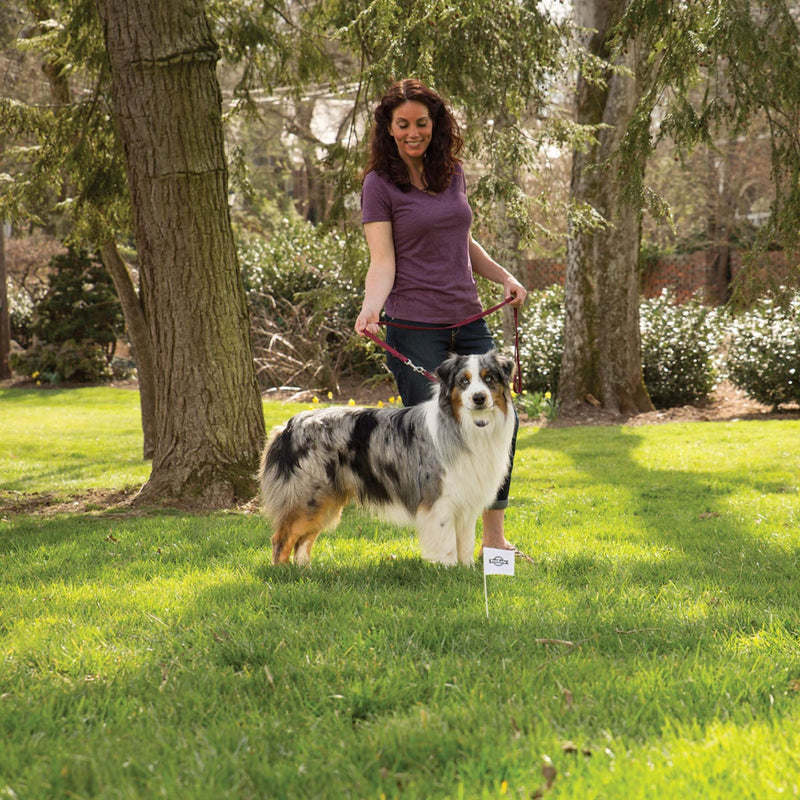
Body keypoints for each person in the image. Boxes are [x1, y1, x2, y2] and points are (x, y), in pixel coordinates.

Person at [354, 78, 527, 555]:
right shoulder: (379, 185)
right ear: (388, 130)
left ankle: (495, 544)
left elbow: (463, 242)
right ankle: (442, 549)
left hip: (469, 318)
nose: (414, 132)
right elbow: (382, 260)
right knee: (434, 440)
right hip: (414, 326)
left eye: (422, 123)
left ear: (436, 124)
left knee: (498, 422)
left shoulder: (453, 173)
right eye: (403, 124)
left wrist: (504, 277)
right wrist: (372, 309)